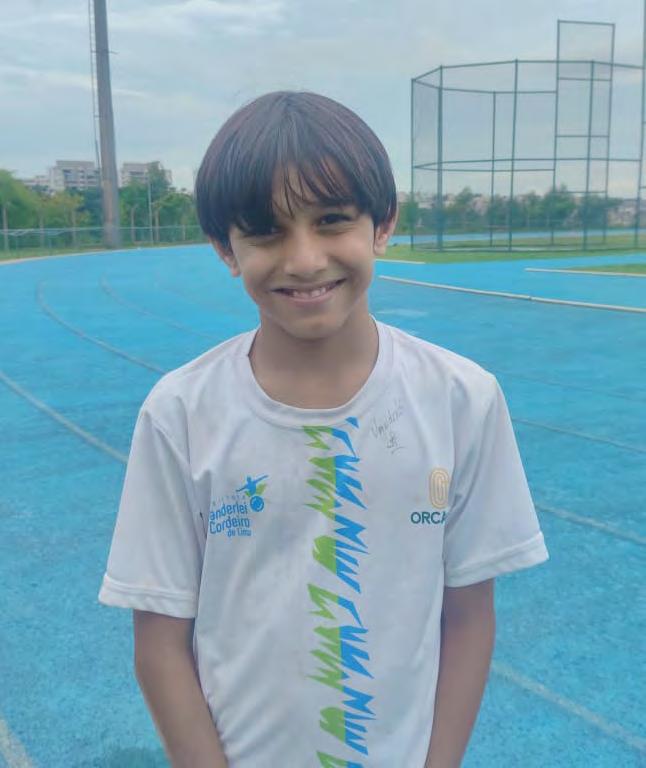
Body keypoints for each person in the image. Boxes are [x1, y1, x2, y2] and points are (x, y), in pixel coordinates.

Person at [99, 90, 549, 768]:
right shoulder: (181, 413)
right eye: (266, 231)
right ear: (225, 248)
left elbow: (468, 615)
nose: (305, 259)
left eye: (332, 220)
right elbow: (160, 642)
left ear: (383, 225)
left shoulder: (462, 399)